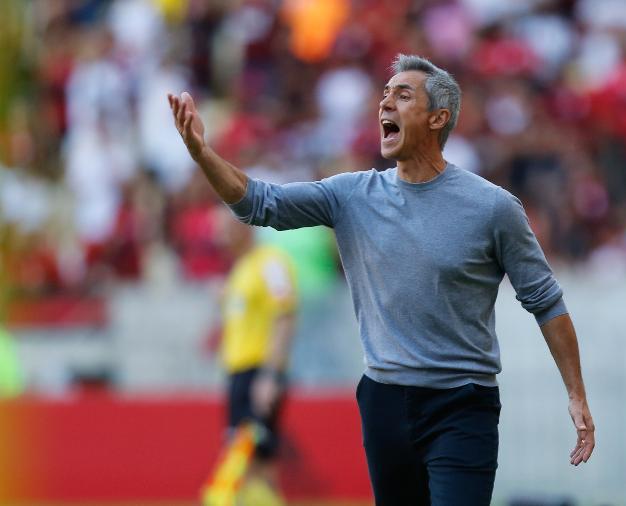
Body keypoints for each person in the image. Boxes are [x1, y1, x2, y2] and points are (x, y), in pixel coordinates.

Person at [169, 53, 595, 505]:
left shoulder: (493, 208)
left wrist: (577, 395)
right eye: (385, 95)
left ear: (438, 118)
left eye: (402, 95)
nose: (384, 105)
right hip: (384, 403)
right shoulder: (350, 195)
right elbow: (258, 203)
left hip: (462, 406)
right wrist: (202, 152)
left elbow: (545, 301)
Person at [217, 209, 298, 505]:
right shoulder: (240, 268)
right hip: (238, 372)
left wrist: (270, 375)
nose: (220, 234)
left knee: (257, 458)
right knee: (248, 458)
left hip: (257, 372)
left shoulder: (270, 263)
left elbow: (285, 316)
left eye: (226, 226)